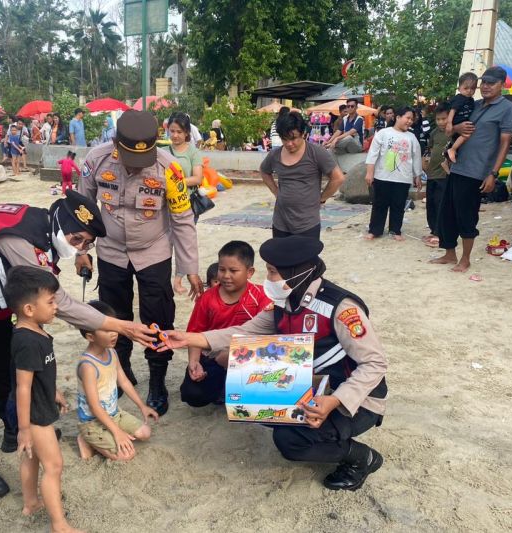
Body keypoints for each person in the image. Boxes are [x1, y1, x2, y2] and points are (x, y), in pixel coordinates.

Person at [0, 192, 157, 501]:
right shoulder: (20, 239)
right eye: (77, 239)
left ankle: (14, 429)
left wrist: (79, 252)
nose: (80, 247)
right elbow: (58, 302)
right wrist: (120, 325)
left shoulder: (44, 230)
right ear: (60, 223)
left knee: (7, 371)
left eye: (87, 244)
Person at [163, 236, 388, 491]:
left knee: (290, 441)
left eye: (272, 272)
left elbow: (375, 363)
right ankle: (311, 427)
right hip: (311, 386)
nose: (268, 280)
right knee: (250, 400)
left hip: (355, 399)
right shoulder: (285, 303)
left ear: (297, 273)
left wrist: (334, 401)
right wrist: (189, 338)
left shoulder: (340, 308)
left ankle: (362, 458)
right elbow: (244, 333)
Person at [78, 109, 202, 416]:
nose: (136, 166)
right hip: (111, 251)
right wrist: (82, 249)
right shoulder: (96, 160)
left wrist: (189, 268)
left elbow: (183, 219)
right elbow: (82, 208)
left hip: (154, 251)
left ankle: (157, 380)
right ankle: (123, 372)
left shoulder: (168, 168)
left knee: (157, 316)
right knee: (114, 316)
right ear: (116, 144)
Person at [2, 267, 79, 531]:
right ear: (29, 309)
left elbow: (39, 374)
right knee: (54, 465)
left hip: (37, 405)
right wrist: (24, 429)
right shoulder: (27, 341)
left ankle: (31, 502)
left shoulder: (36, 331)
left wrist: (53, 391)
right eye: (50, 302)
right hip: (33, 414)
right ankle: (59, 524)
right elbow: (23, 387)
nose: (56, 306)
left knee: (31, 458)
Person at [430, 66, 512, 272]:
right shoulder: (473, 104)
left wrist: (493, 173)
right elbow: (451, 127)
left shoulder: (507, 108)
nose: (485, 86)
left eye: (491, 83)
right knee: (447, 213)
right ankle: (449, 254)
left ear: (502, 85)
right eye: (483, 82)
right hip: (456, 167)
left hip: (477, 171)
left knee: (466, 215)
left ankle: (465, 259)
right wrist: (457, 128)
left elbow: (505, 144)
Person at [180, 241, 271, 408]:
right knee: (192, 395)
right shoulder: (207, 298)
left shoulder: (261, 296)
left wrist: (233, 355)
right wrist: (194, 362)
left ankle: (233, 385)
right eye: (222, 270)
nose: (226, 276)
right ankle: (222, 385)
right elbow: (195, 332)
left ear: (249, 272)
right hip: (213, 356)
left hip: (247, 358)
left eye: (233, 271)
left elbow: (267, 336)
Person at [76, 300, 159, 461]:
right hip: (92, 422)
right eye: (107, 330)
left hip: (113, 414)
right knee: (126, 455)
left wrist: (142, 406)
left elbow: (124, 381)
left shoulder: (111, 352)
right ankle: (86, 439)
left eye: (114, 328)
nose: (114, 333)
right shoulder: (88, 366)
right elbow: (94, 406)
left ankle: (109, 434)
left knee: (145, 433)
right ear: (90, 336)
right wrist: (118, 433)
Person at [260, 111, 345, 241]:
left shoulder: (316, 153)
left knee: (307, 261)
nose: (289, 144)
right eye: (284, 139)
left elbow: (338, 178)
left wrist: (322, 198)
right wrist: (276, 192)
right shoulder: (275, 154)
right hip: (281, 222)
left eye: (293, 138)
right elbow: (264, 171)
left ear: (303, 134)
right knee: (281, 259)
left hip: (307, 224)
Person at [364, 107, 423, 241]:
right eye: (407, 118)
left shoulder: (412, 137)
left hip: (403, 178)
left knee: (398, 205)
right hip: (382, 176)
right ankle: (375, 230)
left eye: (412, 119)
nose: (409, 121)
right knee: (380, 204)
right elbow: (373, 153)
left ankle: (395, 230)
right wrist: (369, 173)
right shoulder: (383, 133)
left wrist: (417, 176)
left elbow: (416, 157)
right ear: (398, 117)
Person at [165, 112, 205, 297]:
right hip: (166, 205)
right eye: (172, 131)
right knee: (166, 242)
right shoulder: (164, 152)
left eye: (179, 132)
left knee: (184, 243)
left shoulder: (193, 152)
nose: (175, 135)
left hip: (186, 204)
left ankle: (179, 278)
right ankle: (171, 278)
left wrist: (177, 183)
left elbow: (198, 178)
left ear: (187, 132)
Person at [423, 102, 451, 245]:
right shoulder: (434, 133)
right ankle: (434, 230)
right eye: (438, 119)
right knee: (431, 205)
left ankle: (441, 233)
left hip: (444, 175)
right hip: (431, 174)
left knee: (441, 204)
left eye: (444, 118)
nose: (441, 122)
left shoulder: (453, 132)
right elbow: (430, 149)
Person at [444, 72, 479, 164]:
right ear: (459, 88)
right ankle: (452, 150)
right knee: (465, 136)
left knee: (461, 138)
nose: (469, 91)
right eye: (466, 88)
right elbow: (453, 110)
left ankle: (449, 155)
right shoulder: (459, 98)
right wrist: (449, 123)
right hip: (456, 122)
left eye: (472, 88)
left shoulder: (471, 100)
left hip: (462, 122)